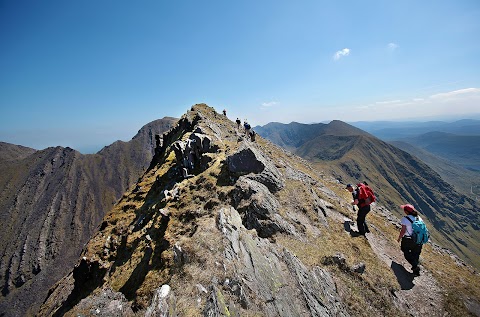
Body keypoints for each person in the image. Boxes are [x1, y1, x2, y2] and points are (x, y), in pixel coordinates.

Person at [397, 204, 423, 276]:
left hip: (408, 239)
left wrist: (399, 238)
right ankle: (416, 271)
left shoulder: (405, 219)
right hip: (419, 240)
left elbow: (403, 230)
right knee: (416, 254)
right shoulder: (419, 218)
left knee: (405, 251)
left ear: (406, 212)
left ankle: (415, 266)